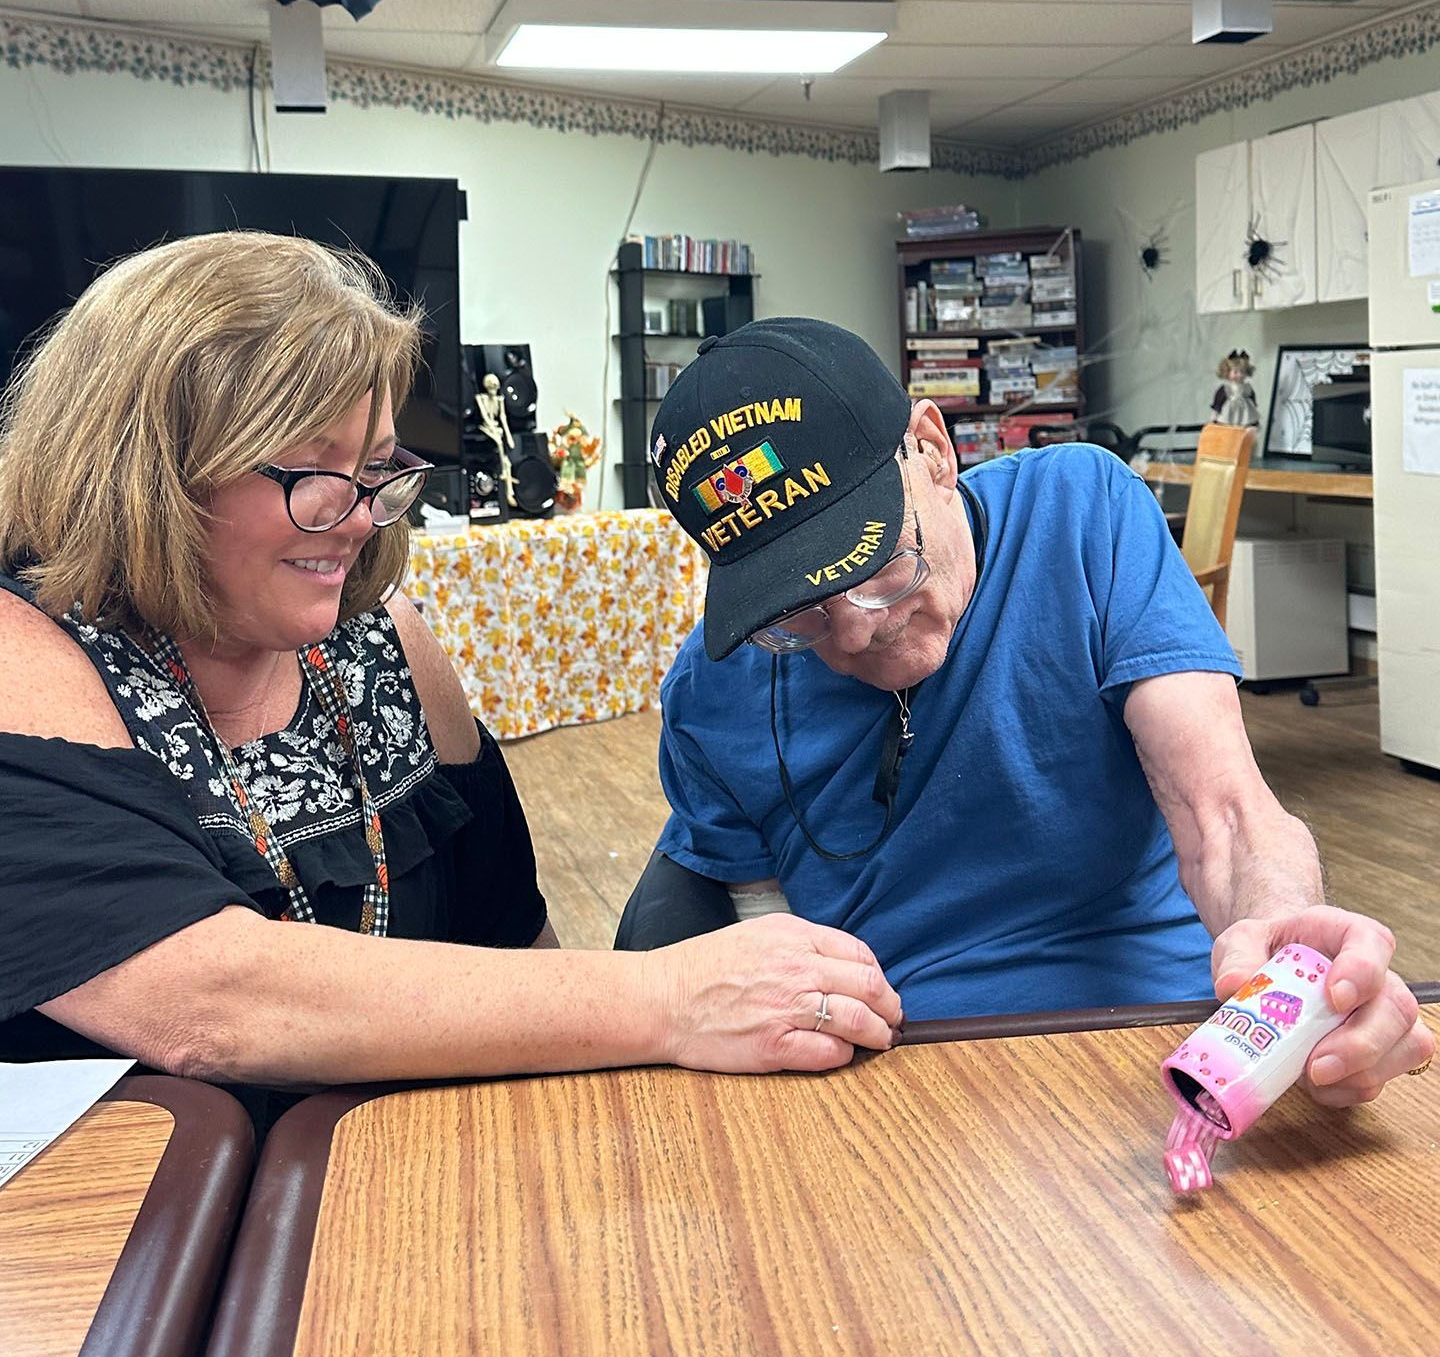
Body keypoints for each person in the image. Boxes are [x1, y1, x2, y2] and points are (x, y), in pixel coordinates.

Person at [0, 237, 901, 1125]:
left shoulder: (381, 640)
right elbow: (203, 1001)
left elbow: (511, 934)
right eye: (316, 471)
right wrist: (671, 997)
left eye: (379, 468)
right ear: (145, 470)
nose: (357, 517)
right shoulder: (26, 649)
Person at [634, 317, 1432, 1107]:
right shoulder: (716, 686)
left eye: (878, 564)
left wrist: (1286, 945)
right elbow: (762, 941)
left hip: (1152, 1037)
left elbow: (1224, 813)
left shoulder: (1082, 514)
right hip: (893, 1076)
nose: (855, 630)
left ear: (934, 451)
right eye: (795, 613)